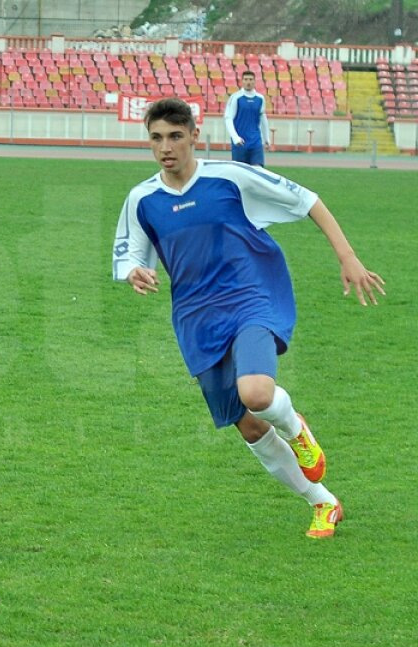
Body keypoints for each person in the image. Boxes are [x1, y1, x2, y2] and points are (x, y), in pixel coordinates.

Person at [113, 97, 386, 539]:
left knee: (257, 393)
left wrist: (347, 256)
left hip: (251, 297)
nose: (166, 147)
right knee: (250, 424)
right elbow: (129, 255)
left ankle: (297, 430)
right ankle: (323, 502)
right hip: (196, 318)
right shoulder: (142, 199)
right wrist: (135, 273)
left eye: (176, 136)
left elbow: (308, 200)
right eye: (157, 138)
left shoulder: (230, 177)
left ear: (194, 136)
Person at [224, 70, 271, 166]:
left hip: (255, 141)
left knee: (258, 171)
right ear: (242, 81)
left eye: (250, 79)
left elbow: (263, 117)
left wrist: (267, 138)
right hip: (240, 142)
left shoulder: (260, 98)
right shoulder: (236, 98)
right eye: (246, 79)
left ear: (254, 81)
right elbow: (228, 118)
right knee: (240, 172)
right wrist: (235, 137)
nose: (248, 82)